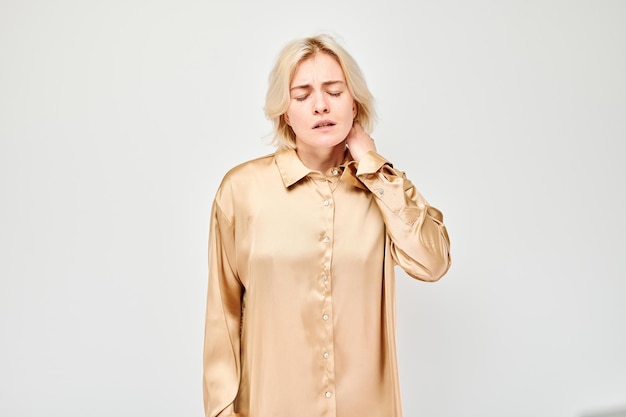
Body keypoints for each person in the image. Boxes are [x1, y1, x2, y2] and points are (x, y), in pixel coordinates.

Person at [203, 34, 451, 417]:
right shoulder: (241, 191)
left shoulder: (381, 189)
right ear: (285, 111)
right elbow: (223, 314)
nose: (320, 105)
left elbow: (433, 262)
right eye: (302, 95)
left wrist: (374, 167)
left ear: (355, 103)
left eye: (334, 91)